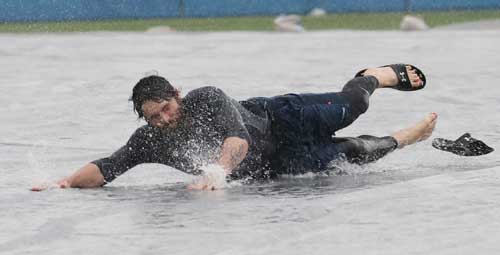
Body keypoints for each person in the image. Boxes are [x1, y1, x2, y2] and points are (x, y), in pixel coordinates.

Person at [32, 64, 437, 191]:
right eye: (154, 117)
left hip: (283, 118)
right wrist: (66, 182)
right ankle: (408, 136)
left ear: (177, 94)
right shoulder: (151, 141)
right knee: (360, 153)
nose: (164, 119)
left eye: (167, 108)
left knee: (352, 106)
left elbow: (236, 141)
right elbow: (108, 166)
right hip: (282, 163)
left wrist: (218, 170)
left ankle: (373, 76)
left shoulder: (206, 98)